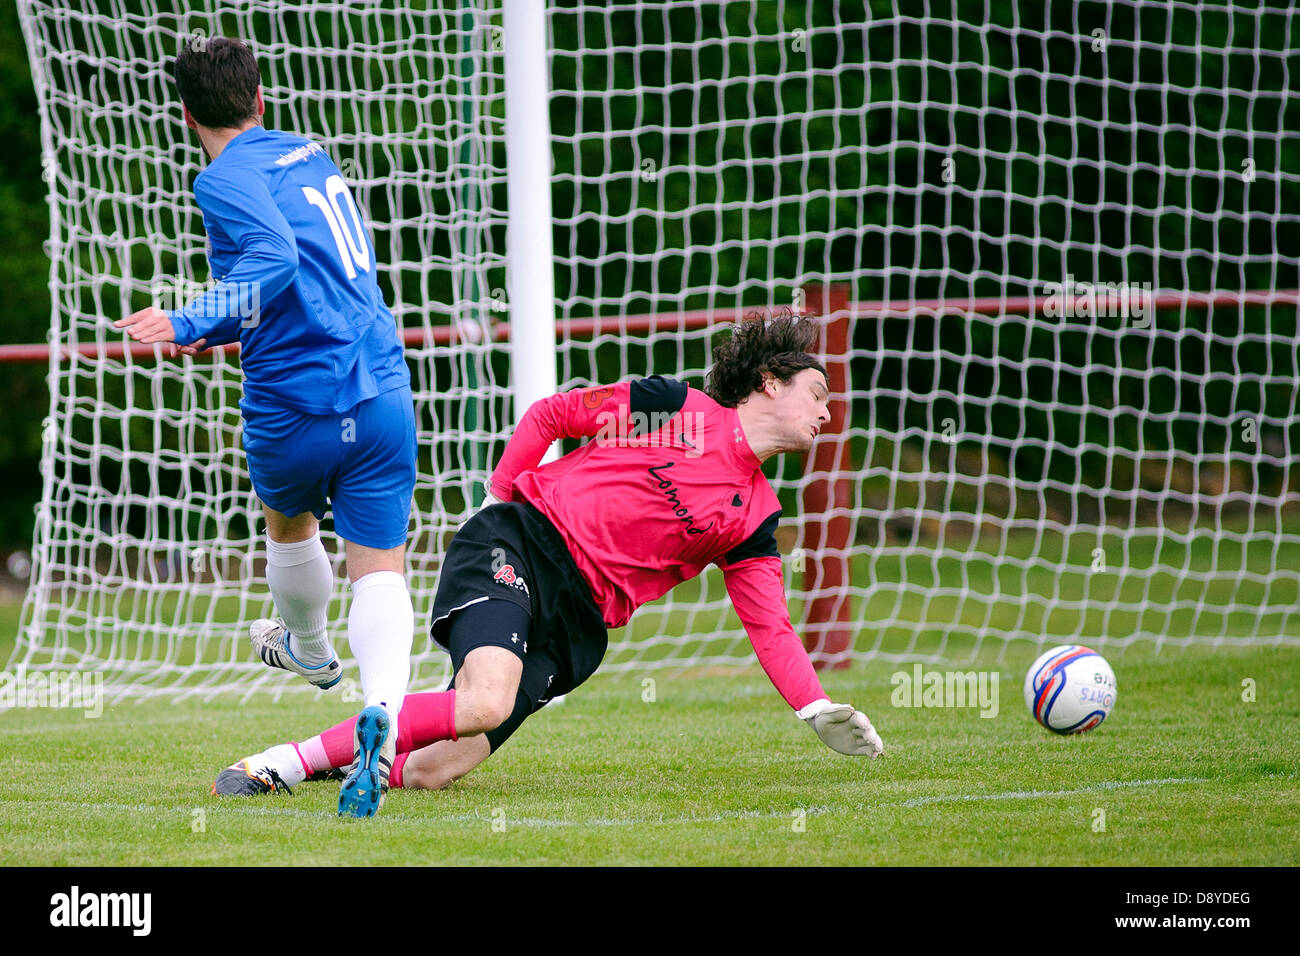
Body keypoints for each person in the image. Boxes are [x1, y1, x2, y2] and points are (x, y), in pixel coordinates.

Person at [211, 311, 883, 801]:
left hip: (578, 628)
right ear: (770, 381)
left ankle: (354, 753)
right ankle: (276, 765)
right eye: (818, 394)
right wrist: (499, 499)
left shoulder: (757, 519)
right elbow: (553, 415)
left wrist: (813, 707)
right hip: (522, 544)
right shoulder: (677, 407)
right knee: (484, 702)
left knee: (431, 770)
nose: (827, 413)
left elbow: (772, 629)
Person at [115, 37, 415, 817]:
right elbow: (289, 279)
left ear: (185, 114)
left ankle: (311, 653)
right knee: (380, 565)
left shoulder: (220, 179)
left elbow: (274, 263)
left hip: (294, 403)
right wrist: (209, 328)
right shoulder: (310, 154)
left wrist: (187, 314)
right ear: (261, 96)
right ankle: (379, 710)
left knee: (289, 523)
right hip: (379, 390)